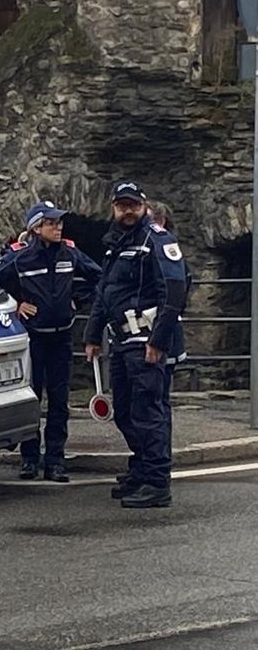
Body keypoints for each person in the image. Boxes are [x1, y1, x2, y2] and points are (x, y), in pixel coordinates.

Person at [84, 182, 189, 508]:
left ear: (143, 206)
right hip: (121, 339)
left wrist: (158, 340)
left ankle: (156, 481)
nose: (127, 211)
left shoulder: (156, 239)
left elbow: (174, 291)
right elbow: (105, 291)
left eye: (133, 205)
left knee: (148, 411)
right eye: (121, 206)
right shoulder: (115, 243)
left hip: (145, 340)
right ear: (113, 208)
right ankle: (142, 469)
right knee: (126, 411)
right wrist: (92, 334)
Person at [0, 201, 102, 482]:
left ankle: (55, 461)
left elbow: (98, 276)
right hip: (33, 339)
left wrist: (78, 299)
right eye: (51, 223)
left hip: (61, 338)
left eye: (59, 222)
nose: (58, 227)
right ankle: (29, 459)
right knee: (32, 399)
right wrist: (16, 304)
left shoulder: (70, 253)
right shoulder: (20, 257)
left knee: (59, 402)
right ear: (36, 228)